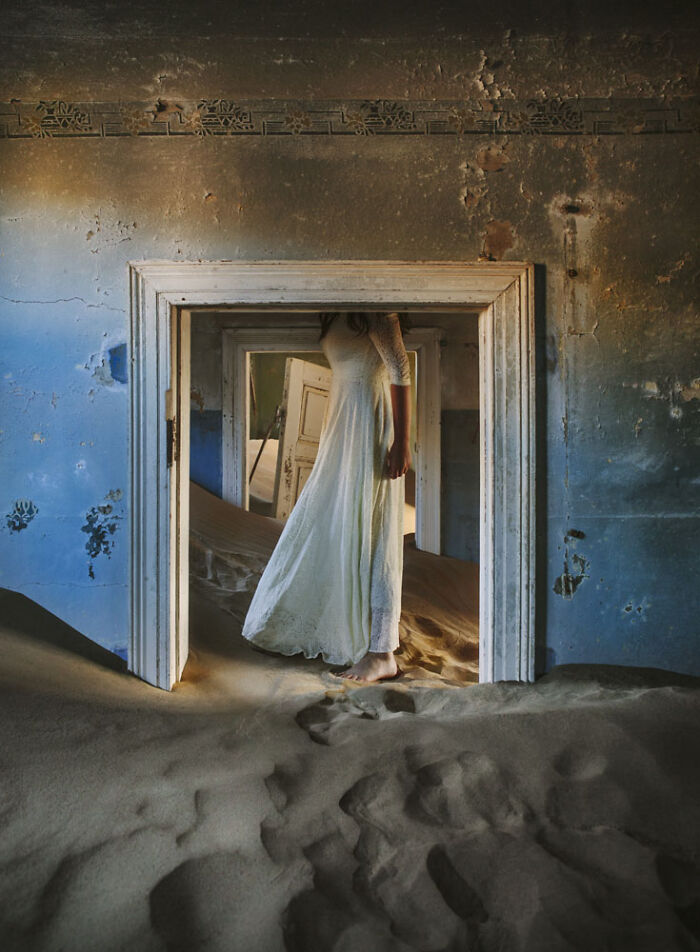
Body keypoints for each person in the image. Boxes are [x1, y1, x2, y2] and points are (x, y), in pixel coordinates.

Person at [241, 311, 411, 682]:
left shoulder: (376, 310)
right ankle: (343, 630)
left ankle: (382, 653)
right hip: (343, 426)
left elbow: (400, 371)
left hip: (370, 423)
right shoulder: (336, 310)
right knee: (331, 523)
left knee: (375, 535)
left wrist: (401, 441)